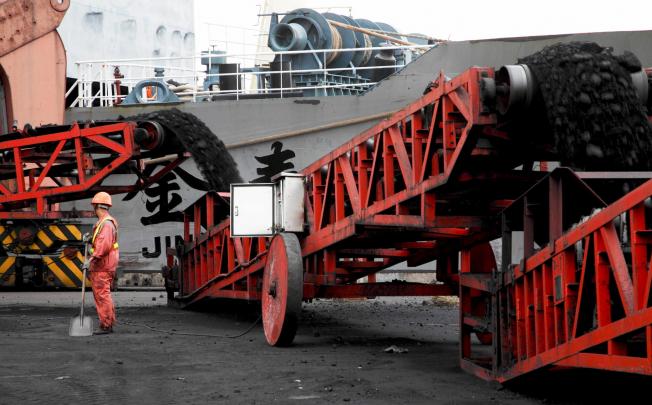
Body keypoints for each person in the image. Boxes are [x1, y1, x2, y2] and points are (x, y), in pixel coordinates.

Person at [83, 191, 119, 335]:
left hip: (102, 265)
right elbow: (100, 241)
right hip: (103, 265)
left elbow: (102, 248)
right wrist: (90, 238)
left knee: (102, 295)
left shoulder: (106, 224)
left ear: (97, 206)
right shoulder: (105, 223)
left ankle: (106, 325)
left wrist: (89, 260)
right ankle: (108, 323)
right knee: (103, 294)